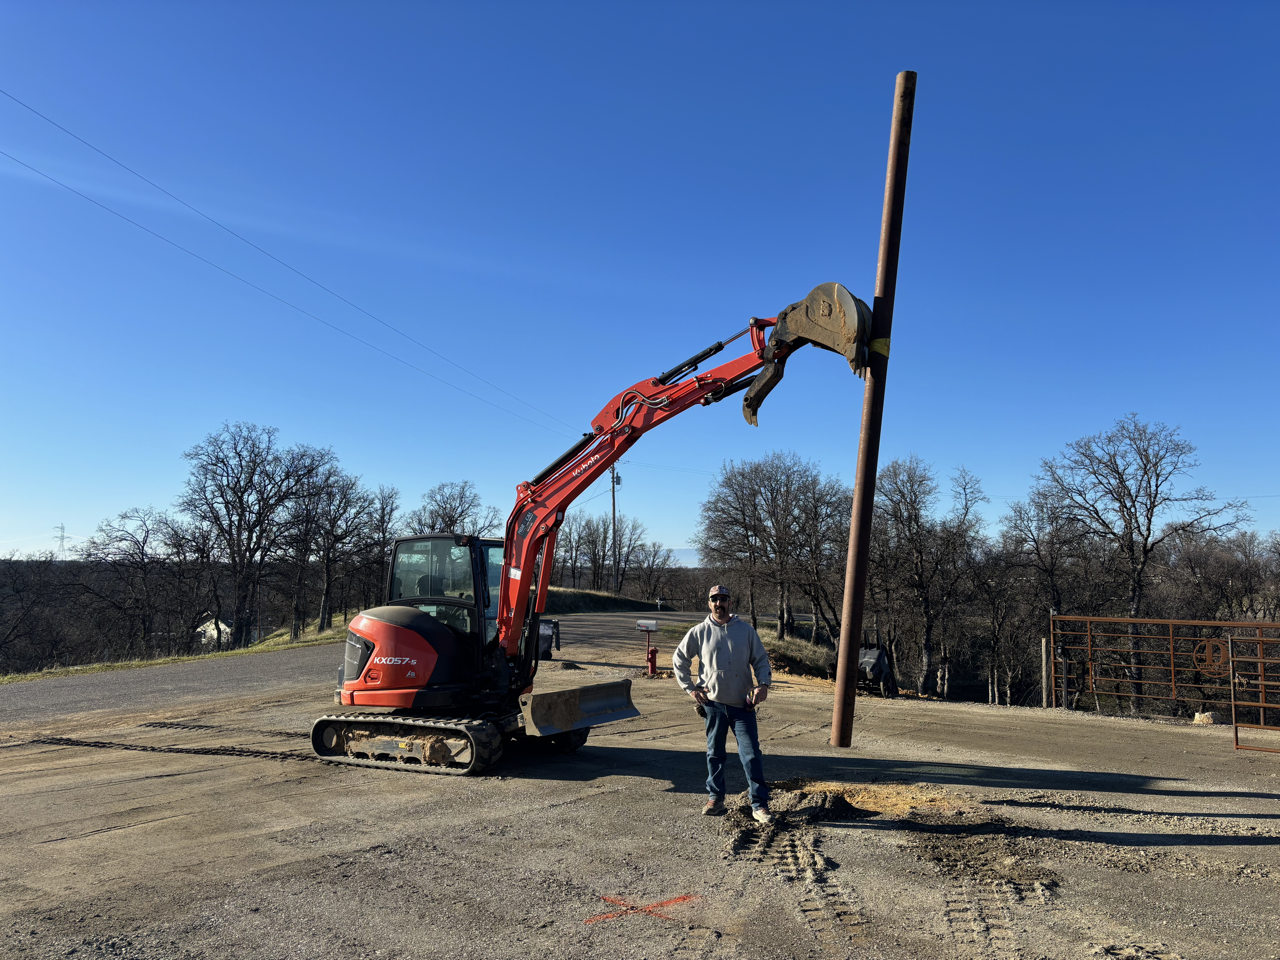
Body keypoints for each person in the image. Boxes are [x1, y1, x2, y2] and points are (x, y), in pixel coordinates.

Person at [672, 584, 773, 823]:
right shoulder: (698, 632)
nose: (719, 603)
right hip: (713, 705)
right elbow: (679, 660)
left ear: (730, 603)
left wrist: (764, 685)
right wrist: (691, 689)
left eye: (723, 599)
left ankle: (759, 804)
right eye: (714, 599)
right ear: (709, 603)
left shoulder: (746, 631)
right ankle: (715, 798)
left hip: (742, 705)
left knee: (750, 755)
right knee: (715, 754)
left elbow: (760, 660)